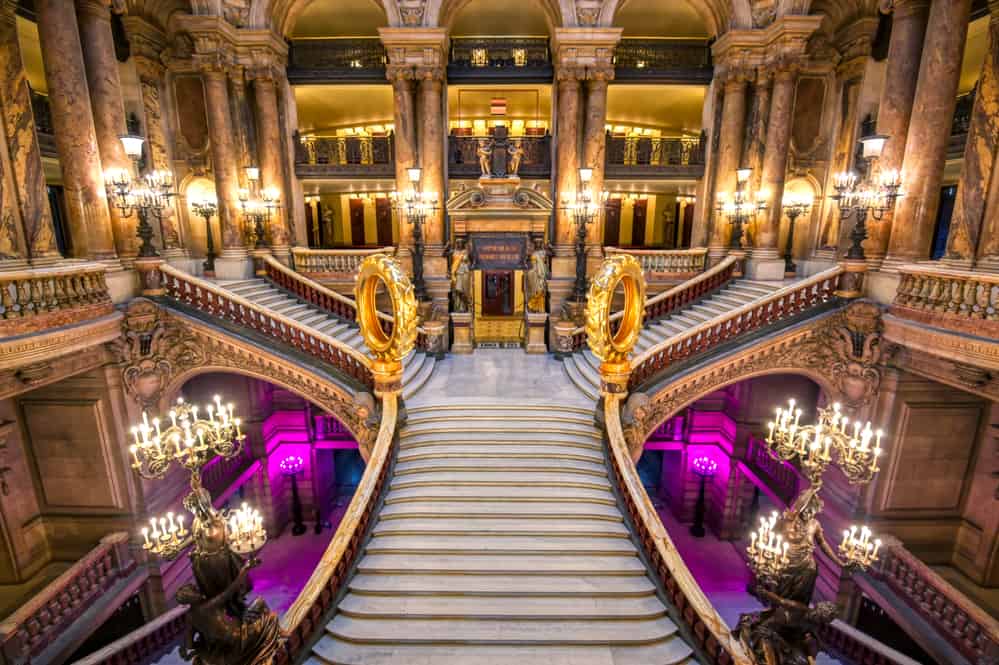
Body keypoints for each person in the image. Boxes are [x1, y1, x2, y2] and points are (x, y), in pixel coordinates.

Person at [177, 558, 282, 665]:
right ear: (191, 597)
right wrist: (245, 569)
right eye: (195, 589)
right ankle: (275, 644)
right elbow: (231, 590)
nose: (198, 589)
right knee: (266, 611)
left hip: (221, 652)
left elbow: (190, 645)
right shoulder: (208, 606)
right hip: (239, 643)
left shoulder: (189, 617)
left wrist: (196, 647)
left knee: (251, 611)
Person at [525, 239, 549, 313]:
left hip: (542, 274)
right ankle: (534, 307)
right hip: (535, 274)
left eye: (539, 243)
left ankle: (539, 308)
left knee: (540, 290)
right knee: (535, 290)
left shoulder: (544, 253)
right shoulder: (534, 254)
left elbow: (546, 264)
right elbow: (532, 265)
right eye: (536, 243)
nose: (538, 244)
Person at [450, 238, 472, 312]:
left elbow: (469, 262)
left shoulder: (466, 252)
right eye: (458, 243)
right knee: (458, 289)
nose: (459, 244)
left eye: (461, 243)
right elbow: (445, 255)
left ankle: (464, 307)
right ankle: (458, 306)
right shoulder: (454, 252)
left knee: (465, 290)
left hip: (465, 272)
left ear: (463, 244)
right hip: (457, 272)